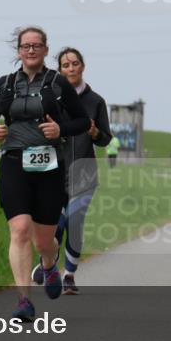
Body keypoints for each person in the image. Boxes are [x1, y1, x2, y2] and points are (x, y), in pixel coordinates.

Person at [0, 26, 90, 321]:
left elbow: (82, 121)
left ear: (45, 50)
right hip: (13, 162)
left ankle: (48, 263)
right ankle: (24, 301)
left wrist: (60, 129)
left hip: (49, 166)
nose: (31, 50)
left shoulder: (58, 84)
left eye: (36, 46)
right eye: (25, 46)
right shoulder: (4, 84)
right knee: (19, 230)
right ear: (18, 51)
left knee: (43, 241)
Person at [30, 47, 112, 294]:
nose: (71, 68)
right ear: (60, 70)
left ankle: (69, 276)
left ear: (82, 67)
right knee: (56, 226)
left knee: (75, 222)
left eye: (75, 63)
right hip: (55, 171)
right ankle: (48, 264)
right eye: (66, 65)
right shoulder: (51, 99)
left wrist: (95, 132)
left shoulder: (96, 101)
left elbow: (105, 139)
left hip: (85, 173)